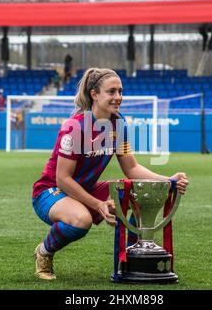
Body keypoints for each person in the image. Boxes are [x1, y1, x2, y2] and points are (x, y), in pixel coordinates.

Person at [31, 68, 189, 280]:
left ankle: (134, 258)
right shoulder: (75, 127)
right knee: (81, 220)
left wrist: (169, 180)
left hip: (84, 189)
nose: (118, 97)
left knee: (136, 193)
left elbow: (131, 168)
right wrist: (98, 205)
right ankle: (44, 252)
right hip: (51, 192)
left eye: (120, 91)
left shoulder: (119, 124)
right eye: (111, 92)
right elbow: (63, 179)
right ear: (94, 94)